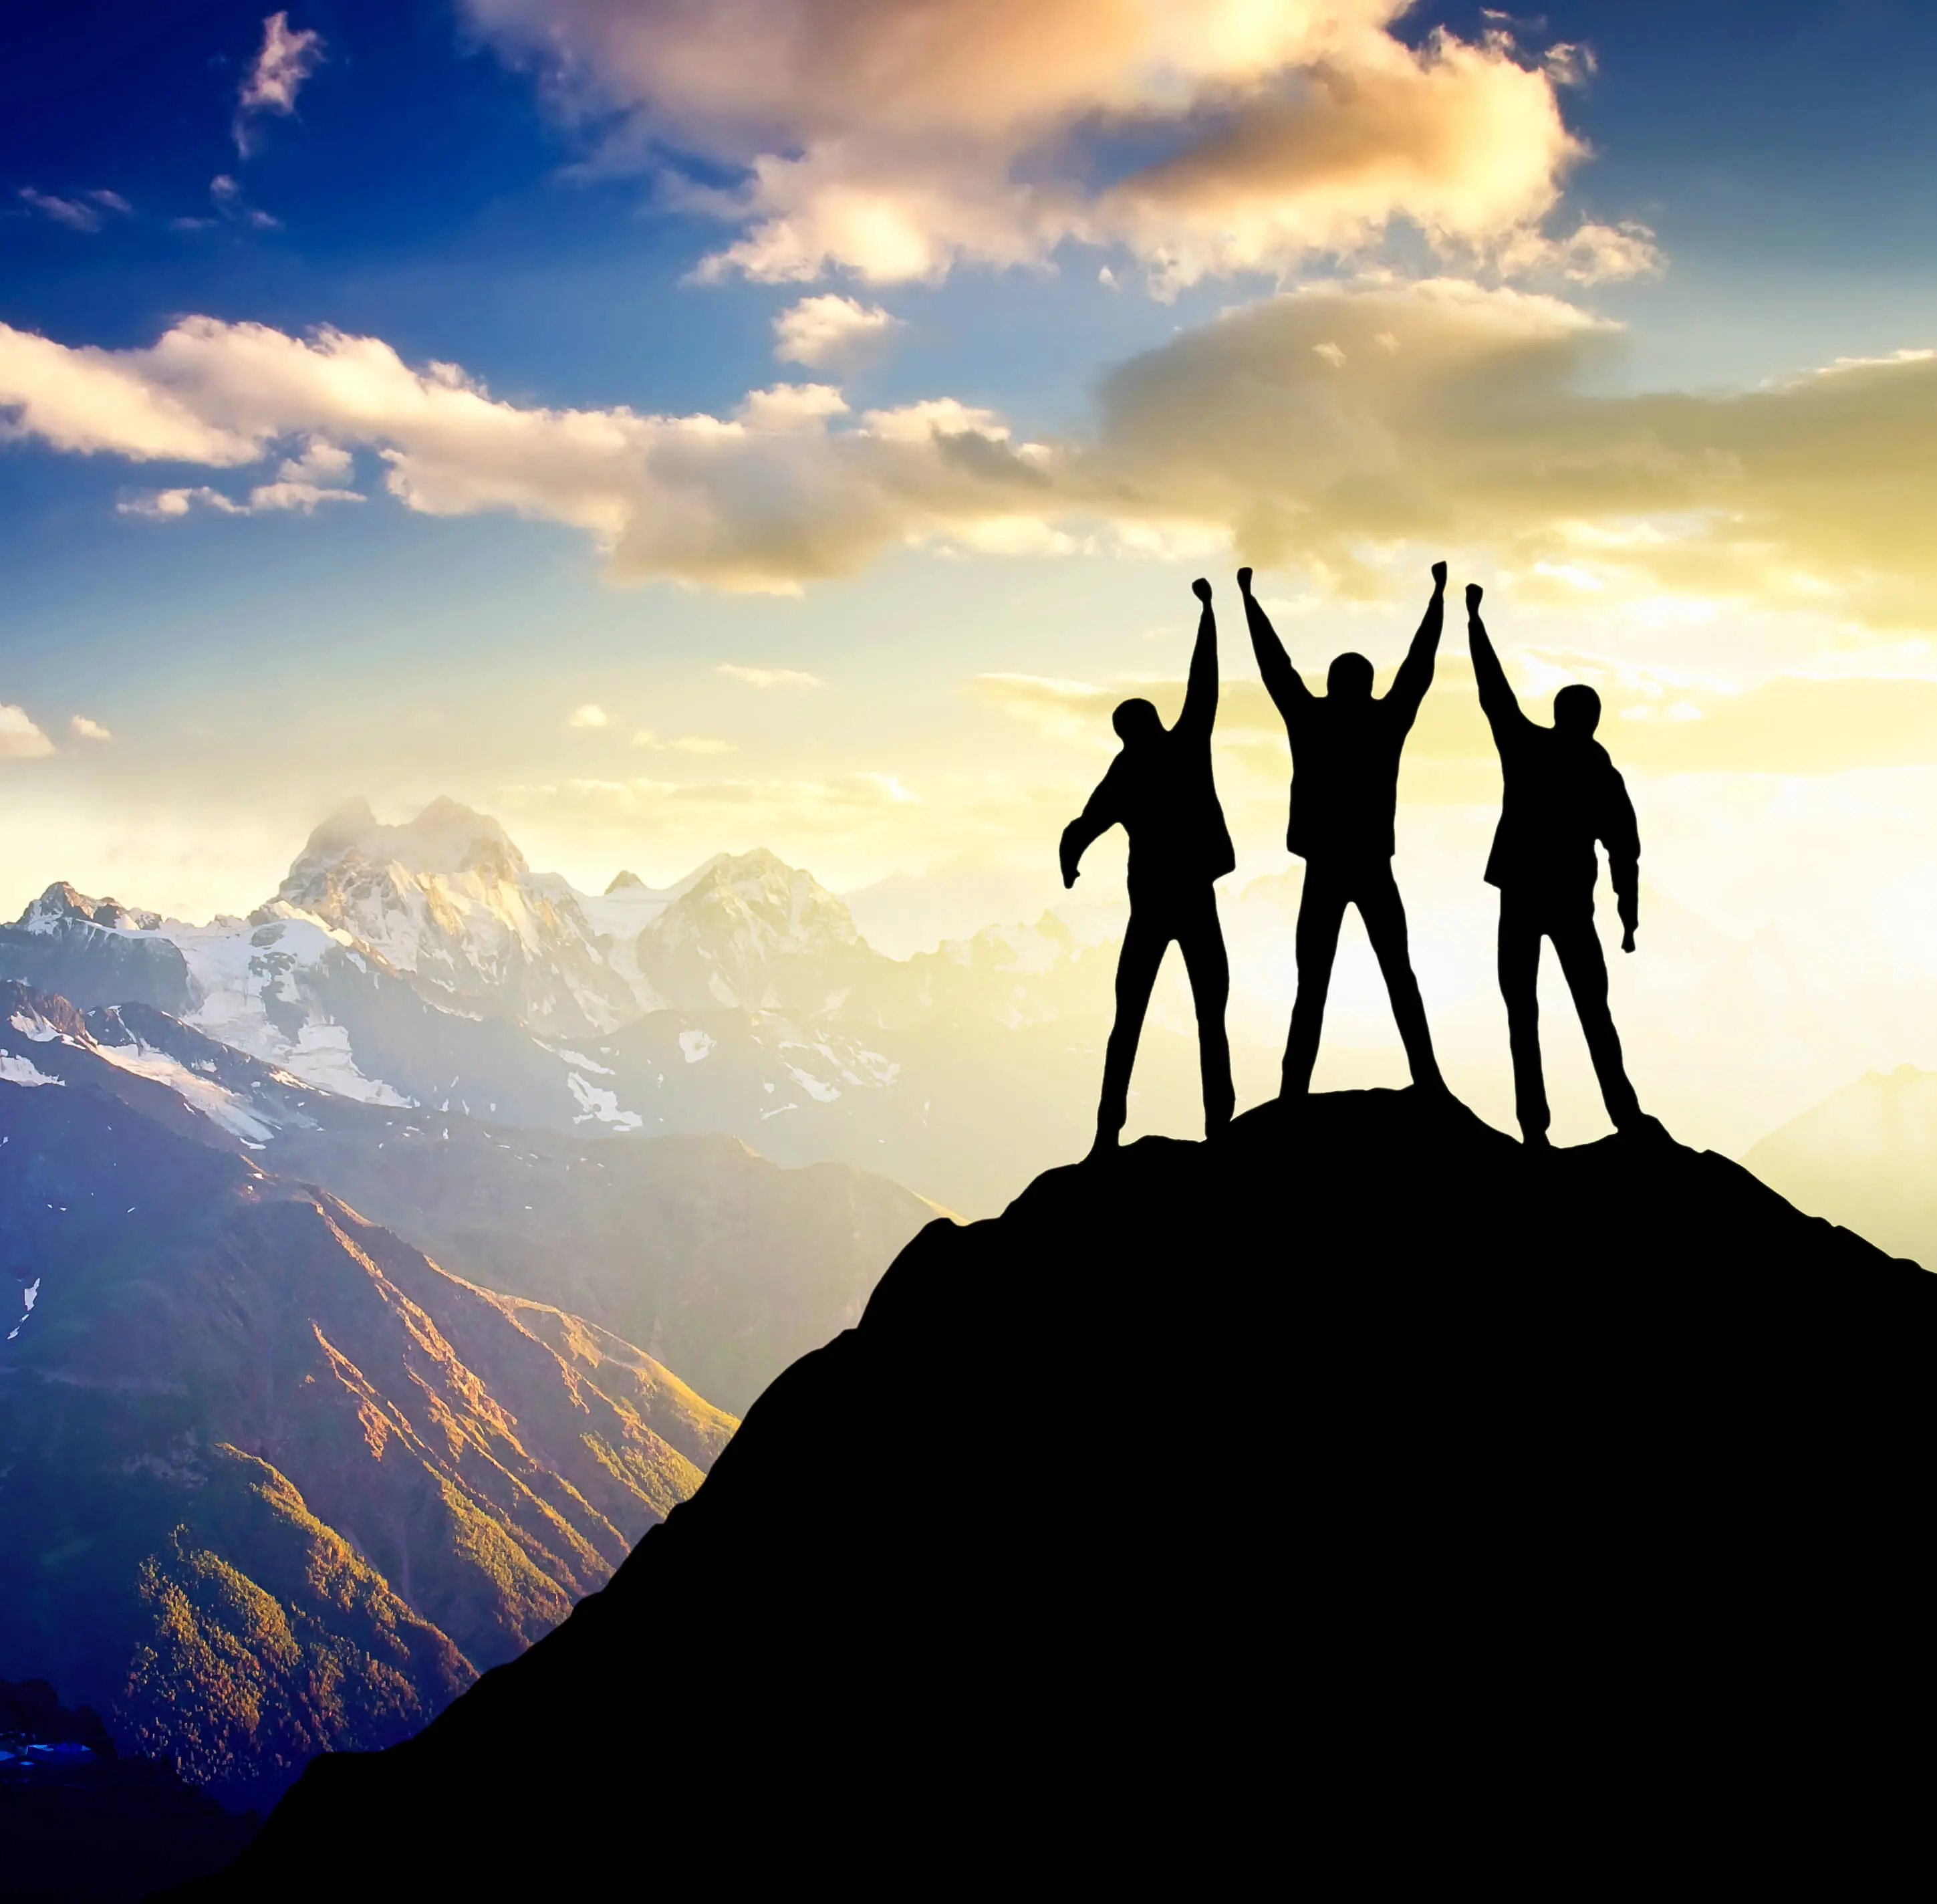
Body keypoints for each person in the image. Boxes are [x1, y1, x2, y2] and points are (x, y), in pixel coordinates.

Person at [1239, 562, 1446, 1099]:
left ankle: (1293, 1093)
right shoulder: (1386, 720)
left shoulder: (1310, 718)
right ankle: (1428, 1079)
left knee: (1313, 986)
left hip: (1327, 867)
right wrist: (1436, 598)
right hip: (1371, 865)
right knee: (1399, 974)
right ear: (1368, 685)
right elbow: (1419, 668)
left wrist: (1249, 600)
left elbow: (1275, 666)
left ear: (1332, 685)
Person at [1464, 582, 1648, 1149]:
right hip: (1568, 903)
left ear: (1560, 714)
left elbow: (1492, 692)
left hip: (1523, 896)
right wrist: (1627, 915)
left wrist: (1474, 621)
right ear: (1592, 719)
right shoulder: (1599, 772)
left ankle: (1536, 1131)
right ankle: (1624, 1116)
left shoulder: (1528, 748)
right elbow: (1624, 850)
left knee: (1526, 1014)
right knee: (1591, 1010)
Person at [1061, 578, 1235, 1152]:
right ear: (1153, 721)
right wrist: (1208, 614)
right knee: (1211, 1015)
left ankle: (1106, 1135)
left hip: (1151, 909)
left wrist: (1072, 862)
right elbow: (1204, 682)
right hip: (1193, 902)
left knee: (1128, 1020)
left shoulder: (1125, 772)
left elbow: (1081, 828)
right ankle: (1220, 1129)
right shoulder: (1184, 745)